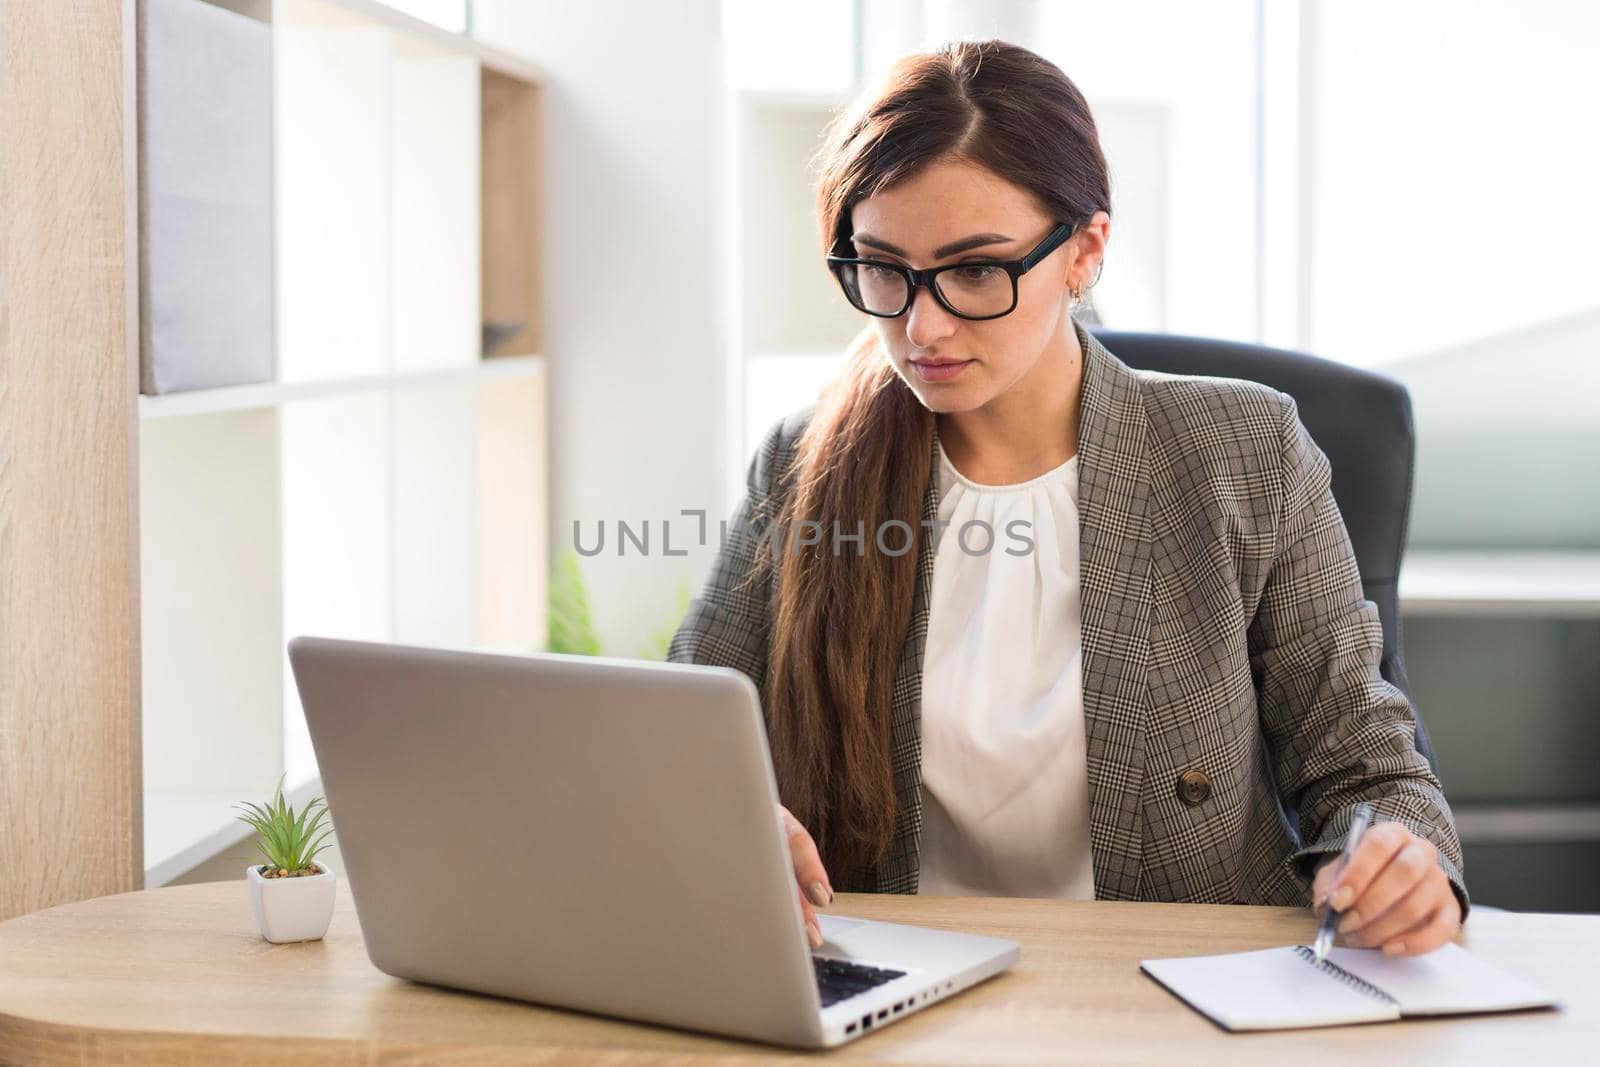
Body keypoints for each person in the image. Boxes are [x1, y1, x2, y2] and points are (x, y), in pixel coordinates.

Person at [668, 38, 1465, 959]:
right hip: (889, 986)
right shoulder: (803, 465)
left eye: (974, 270)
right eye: (882, 268)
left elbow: (1366, 764)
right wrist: (726, 822)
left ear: (1084, 251)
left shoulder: (1244, 453)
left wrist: (1403, 860)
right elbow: (690, 738)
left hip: (1181, 989)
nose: (921, 326)